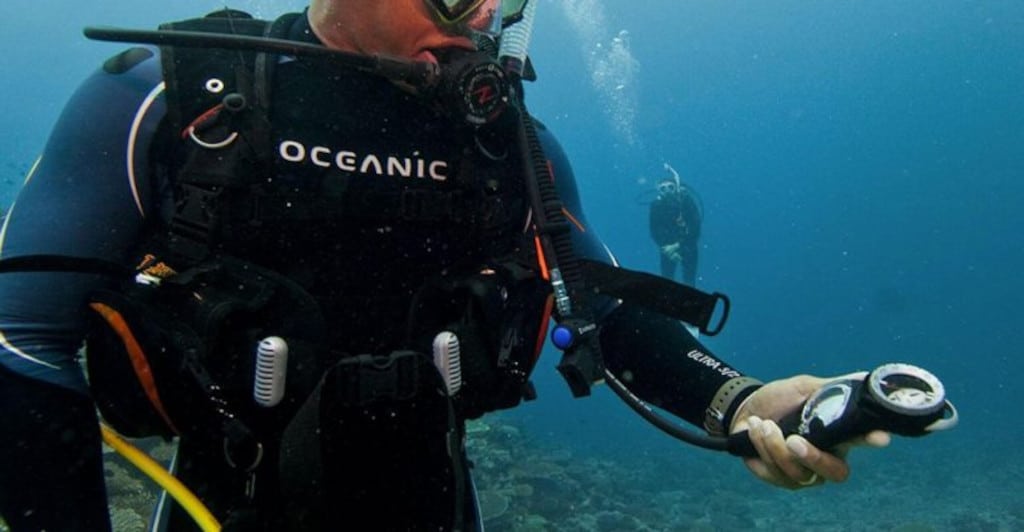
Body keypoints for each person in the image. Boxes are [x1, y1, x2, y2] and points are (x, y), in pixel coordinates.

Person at [0, 1, 891, 530]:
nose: (482, 23)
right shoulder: (170, 95)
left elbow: (603, 308)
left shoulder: (508, 148)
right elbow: (21, 335)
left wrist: (739, 399)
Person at [649, 163, 702, 286]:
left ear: (676, 188)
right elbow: (654, 230)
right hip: (667, 248)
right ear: (659, 192)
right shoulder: (656, 206)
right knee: (667, 280)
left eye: (670, 187)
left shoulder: (686, 202)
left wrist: (678, 246)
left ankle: (689, 302)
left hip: (688, 246)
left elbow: (695, 227)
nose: (667, 191)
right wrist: (667, 248)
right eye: (663, 188)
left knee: (689, 281)